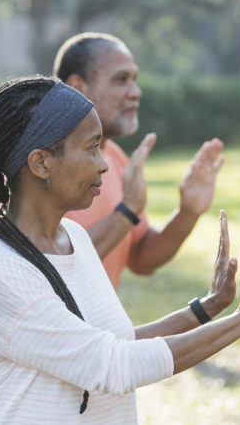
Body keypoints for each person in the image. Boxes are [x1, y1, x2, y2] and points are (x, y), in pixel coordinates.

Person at [0, 76, 240, 424]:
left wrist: (208, 307)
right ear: (41, 164)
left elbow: (118, 344)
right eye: (91, 147)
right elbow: (111, 366)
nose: (104, 164)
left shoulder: (75, 238)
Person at [53, 32, 224, 289]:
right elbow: (52, 268)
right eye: (121, 80)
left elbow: (141, 258)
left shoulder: (115, 157)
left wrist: (187, 213)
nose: (136, 92)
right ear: (77, 87)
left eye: (134, 80)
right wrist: (128, 210)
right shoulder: (42, 164)